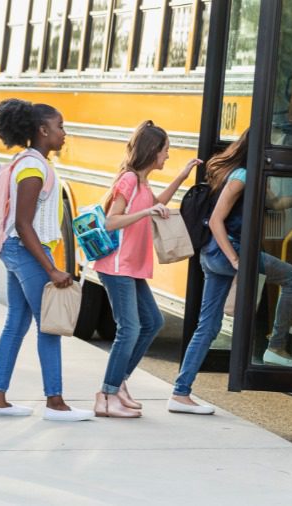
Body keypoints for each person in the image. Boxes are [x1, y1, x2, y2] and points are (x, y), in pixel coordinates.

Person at [169, 129, 292, 414]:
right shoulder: (241, 177)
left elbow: (277, 205)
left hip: (213, 255)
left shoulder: (251, 175)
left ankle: (181, 392)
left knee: (209, 325)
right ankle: (276, 346)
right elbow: (216, 220)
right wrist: (235, 260)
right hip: (225, 252)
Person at [0, 98, 94, 422]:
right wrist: (51, 268)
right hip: (26, 250)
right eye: (60, 127)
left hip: (19, 250)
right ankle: (55, 403)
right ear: (43, 130)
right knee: (49, 325)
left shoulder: (30, 161)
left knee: (17, 321)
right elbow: (22, 223)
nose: (64, 133)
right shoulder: (32, 167)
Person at [92, 121, 201, 418]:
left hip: (133, 266)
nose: (167, 156)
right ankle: (107, 394)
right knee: (129, 329)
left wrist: (182, 176)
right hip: (116, 266)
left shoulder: (142, 182)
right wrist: (145, 212)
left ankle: (118, 382)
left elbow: (158, 204)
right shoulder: (127, 179)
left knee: (152, 322)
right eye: (166, 151)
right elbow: (111, 220)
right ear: (153, 151)